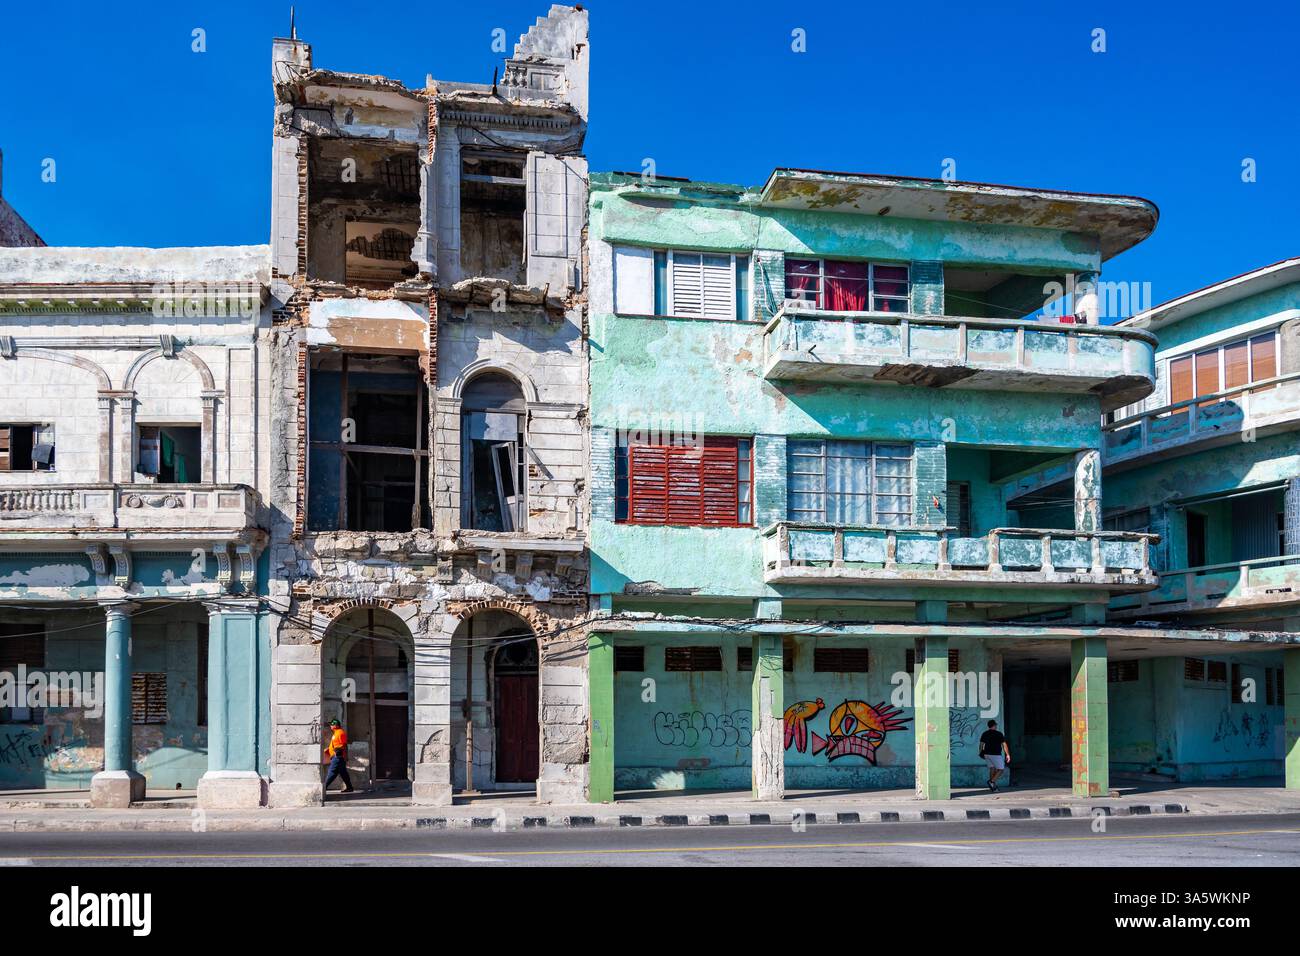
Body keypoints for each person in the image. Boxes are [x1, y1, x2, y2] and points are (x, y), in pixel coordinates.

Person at [323, 718, 355, 794]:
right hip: (338, 757)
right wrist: (329, 749)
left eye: (332, 724)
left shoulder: (340, 733)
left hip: (337, 757)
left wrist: (336, 753)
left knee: (332, 772)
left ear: (336, 725)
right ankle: (349, 787)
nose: (330, 726)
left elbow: (343, 745)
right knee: (343, 773)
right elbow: (336, 744)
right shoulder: (336, 733)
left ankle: (324, 788)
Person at [978, 719, 1011, 791]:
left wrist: (980, 753)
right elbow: (1004, 745)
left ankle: (993, 787)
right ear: (994, 725)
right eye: (996, 725)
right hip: (995, 754)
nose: (996, 726)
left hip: (986, 754)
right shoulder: (999, 734)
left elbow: (981, 744)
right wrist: (1007, 754)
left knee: (992, 768)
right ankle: (991, 782)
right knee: (1001, 769)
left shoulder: (985, 733)